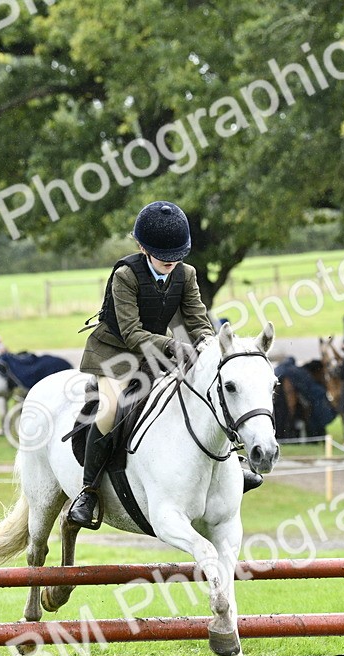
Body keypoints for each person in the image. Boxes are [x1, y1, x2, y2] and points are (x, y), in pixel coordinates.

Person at [69, 200, 218, 529]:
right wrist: (175, 346)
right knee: (109, 409)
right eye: (162, 256)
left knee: (206, 390)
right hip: (114, 353)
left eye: (176, 255)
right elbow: (133, 333)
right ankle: (88, 491)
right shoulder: (125, 275)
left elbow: (198, 322)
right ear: (141, 247)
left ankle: (231, 465)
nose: (170, 262)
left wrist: (209, 345)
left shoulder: (186, 274)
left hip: (157, 350)